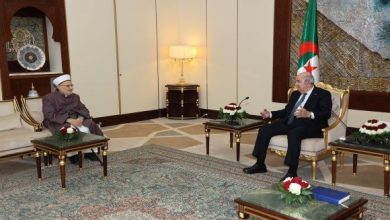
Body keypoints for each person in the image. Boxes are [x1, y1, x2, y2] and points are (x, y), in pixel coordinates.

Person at [243, 72, 332, 181]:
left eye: (298, 81)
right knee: (264, 129)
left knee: (294, 133)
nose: (296, 84)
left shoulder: (323, 94)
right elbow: (286, 111)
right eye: (296, 81)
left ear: (308, 82)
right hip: (291, 123)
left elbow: (326, 113)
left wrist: (309, 114)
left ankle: (292, 171)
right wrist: (270, 114)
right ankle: (260, 164)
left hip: (312, 126)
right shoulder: (295, 94)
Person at [42, 74, 103, 164]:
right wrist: (69, 120)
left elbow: (83, 109)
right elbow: (49, 114)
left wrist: (81, 118)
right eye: (67, 86)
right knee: (69, 128)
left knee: (89, 123)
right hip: (57, 120)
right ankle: (73, 154)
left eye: (71, 85)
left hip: (76, 118)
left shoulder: (75, 96)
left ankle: (89, 152)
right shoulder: (49, 98)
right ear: (58, 86)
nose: (71, 88)